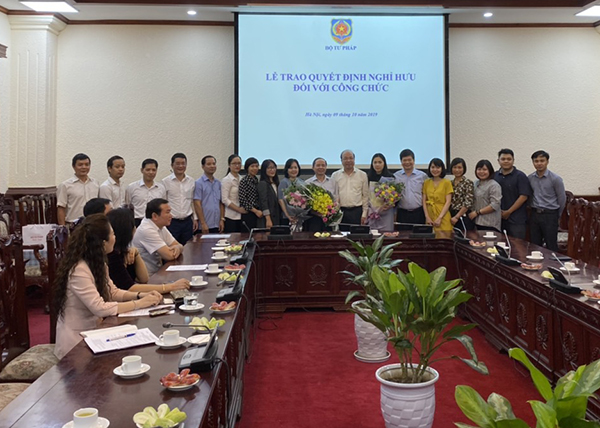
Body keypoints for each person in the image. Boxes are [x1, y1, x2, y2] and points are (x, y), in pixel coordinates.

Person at [53, 214, 162, 359]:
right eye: (113, 234)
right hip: (75, 342)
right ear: (103, 242)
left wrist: (140, 295)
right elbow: (99, 308)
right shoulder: (79, 270)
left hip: (94, 332)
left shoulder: (98, 263)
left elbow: (112, 292)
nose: (115, 237)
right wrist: (139, 303)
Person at [106, 208, 190, 293]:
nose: (135, 228)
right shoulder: (112, 255)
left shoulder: (126, 250)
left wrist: (137, 254)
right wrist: (171, 287)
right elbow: (130, 288)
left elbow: (144, 279)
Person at [132, 198, 184, 276]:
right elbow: (169, 255)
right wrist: (177, 248)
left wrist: (178, 247)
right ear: (155, 216)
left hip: (158, 272)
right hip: (148, 277)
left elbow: (178, 244)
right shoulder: (147, 230)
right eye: (167, 212)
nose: (171, 216)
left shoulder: (160, 225)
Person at [528, 150, 566, 251]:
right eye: (536, 161)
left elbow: (562, 198)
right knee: (535, 244)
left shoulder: (556, 179)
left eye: (542, 161)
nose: (539, 163)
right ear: (533, 162)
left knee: (551, 245)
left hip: (550, 214)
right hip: (535, 214)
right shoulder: (530, 178)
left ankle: (552, 262)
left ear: (547, 162)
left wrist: (557, 214)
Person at [494, 148, 532, 239]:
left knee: (517, 245)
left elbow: (523, 196)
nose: (506, 161)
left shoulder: (520, 176)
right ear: (498, 161)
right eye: (503, 159)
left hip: (517, 219)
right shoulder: (494, 176)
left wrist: (508, 212)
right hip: (498, 218)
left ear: (513, 160)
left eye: (509, 159)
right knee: (499, 244)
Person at [162, 153, 198, 244]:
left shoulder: (191, 181)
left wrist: (195, 218)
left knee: (188, 248)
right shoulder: (165, 182)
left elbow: (192, 201)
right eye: (177, 163)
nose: (181, 166)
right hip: (172, 222)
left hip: (187, 221)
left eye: (183, 163)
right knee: (172, 247)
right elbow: (163, 203)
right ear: (172, 165)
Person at [57, 153, 100, 225]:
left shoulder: (95, 183)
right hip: (73, 224)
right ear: (73, 166)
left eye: (87, 164)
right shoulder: (65, 185)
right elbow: (61, 208)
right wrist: (62, 227)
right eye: (80, 165)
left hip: (92, 223)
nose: (84, 167)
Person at [332, 150, 368, 230]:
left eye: (351, 158)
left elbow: (365, 196)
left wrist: (364, 214)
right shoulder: (335, 175)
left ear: (354, 159)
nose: (348, 160)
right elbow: (334, 195)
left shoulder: (362, 175)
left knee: (356, 235)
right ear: (341, 160)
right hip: (341, 211)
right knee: (341, 235)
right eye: (345, 158)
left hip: (357, 211)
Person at [126, 158, 166, 226]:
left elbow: (163, 207)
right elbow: (127, 206)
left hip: (155, 222)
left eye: (153, 170)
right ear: (142, 170)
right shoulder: (132, 187)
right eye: (148, 170)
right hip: (137, 221)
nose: (151, 172)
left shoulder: (161, 188)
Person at [393, 149, 427, 227]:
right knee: (403, 234)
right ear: (401, 162)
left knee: (419, 234)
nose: (407, 162)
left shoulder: (422, 176)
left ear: (414, 160)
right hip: (402, 213)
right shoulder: (396, 176)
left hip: (419, 213)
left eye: (409, 160)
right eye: (404, 160)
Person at [305, 157, 338, 232]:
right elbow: (305, 202)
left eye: (323, 165)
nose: (321, 167)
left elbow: (336, 199)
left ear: (326, 167)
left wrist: (332, 210)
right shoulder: (307, 183)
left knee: (329, 238)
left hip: (329, 218)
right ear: (313, 167)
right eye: (318, 165)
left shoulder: (333, 182)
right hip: (313, 218)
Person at [468, 160, 502, 232]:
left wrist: (477, 212)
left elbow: (495, 205)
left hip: (489, 223)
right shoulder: (475, 183)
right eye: (479, 169)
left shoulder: (494, 185)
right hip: (476, 221)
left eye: (484, 169)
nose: (481, 172)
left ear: (490, 171)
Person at [194, 155, 224, 235]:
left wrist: (221, 219)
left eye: (214, 164)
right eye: (209, 164)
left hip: (217, 224)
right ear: (203, 166)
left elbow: (221, 203)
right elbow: (197, 204)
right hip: (205, 225)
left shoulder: (218, 183)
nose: (212, 166)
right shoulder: (198, 183)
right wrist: (203, 223)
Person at [422, 158, 453, 232]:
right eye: (433, 167)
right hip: (430, 214)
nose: (435, 170)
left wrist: (440, 218)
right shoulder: (426, 182)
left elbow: (448, 202)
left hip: (443, 215)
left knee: (445, 236)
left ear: (442, 169)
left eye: (438, 167)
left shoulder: (447, 182)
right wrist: (427, 217)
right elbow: (424, 201)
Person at [367, 153, 395, 232]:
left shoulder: (391, 178)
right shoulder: (368, 178)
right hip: (372, 213)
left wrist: (389, 204)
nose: (377, 165)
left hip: (386, 213)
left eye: (380, 162)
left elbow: (395, 196)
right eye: (375, 162)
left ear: (384, 163)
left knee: (387, 235)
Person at [221, 154, 247, 233]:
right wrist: (238, 209)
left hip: (241, 216)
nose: (237, 166)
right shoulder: (226, 180)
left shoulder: (242, 179)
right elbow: (224, 199)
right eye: (234, 163)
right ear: (229, 165)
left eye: (239, 163)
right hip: (230, 216)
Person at [278, 158, 306, 227]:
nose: (293, 170)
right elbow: (281, 200)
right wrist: (288, 215)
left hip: (301, 217)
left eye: (295, 167)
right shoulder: (284, 182)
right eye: (291, 168)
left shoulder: (302, 182)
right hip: (287, 217)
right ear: (287, 170)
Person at [449, 157, 475, 231]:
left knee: (464, 236)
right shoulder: (450, 183)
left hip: (463, 216)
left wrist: (457, 217)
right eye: (455, 167)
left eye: (459, 167)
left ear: (464, 169)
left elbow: (468, 202)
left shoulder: (468, 182)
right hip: (451, 215)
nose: (457, 170)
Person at [239, 157, 263, 230]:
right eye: (252, 166)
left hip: (257, 213)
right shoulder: (244, 181)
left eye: (256, 166)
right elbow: (242, 199)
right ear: (247, 168)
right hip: (248, 213)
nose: (255, 168)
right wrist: (255, 211)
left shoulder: (256, 180)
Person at [258, 159, 281, 229]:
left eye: (273, 167)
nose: (272, 170)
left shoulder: (276, 184)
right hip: (267, 219)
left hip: (276, 217)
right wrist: (268, 219)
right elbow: (263, 202)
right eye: (269, 168)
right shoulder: (263, 183)